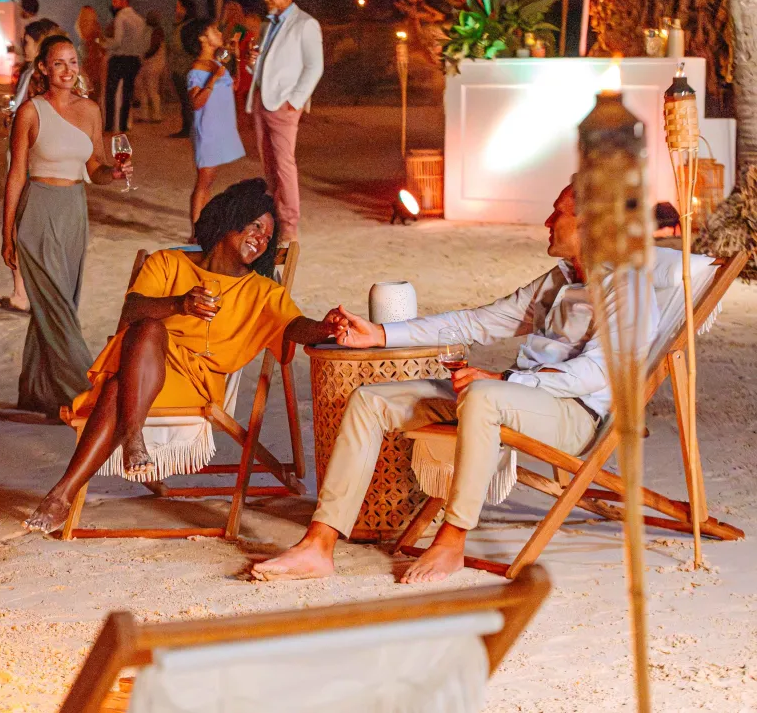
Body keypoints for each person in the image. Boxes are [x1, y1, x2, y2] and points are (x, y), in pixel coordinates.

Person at [252, 184, 661, 584]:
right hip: (514, 397)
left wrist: (505, 379)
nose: (548, 221)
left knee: (482, 394)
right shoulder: (558, 281)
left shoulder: (630, 288)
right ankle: (319, 544)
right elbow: (475, 322)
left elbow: (596, 373)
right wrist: (380, 333)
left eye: (559, 213)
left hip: (573, 415)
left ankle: (452, 540)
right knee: (369, 400)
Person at [25, 179, 339, 533]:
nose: (262, 239)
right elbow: (132, 309)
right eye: (255, 226)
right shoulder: (167, 264)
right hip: (144, 367)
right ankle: (105, 458)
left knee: (118, 388)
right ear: (229, 219)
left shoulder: (263, 292)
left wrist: (325, 327)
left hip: (194, 383)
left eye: (268, 235)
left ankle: (76, 481)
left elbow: (295, 326)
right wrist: (180, 303)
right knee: (147, 329)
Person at [2, 34, 130, 417]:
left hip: (74, 210)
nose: (68, 71)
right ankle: (88, 394)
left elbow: (96, 169)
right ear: (42, 68)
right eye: (59, 63)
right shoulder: (30, 112)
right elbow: (15, 175)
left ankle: (39, 394)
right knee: (57, 308)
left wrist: (116, 171)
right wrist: (7, 232)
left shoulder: (91, 110)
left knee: (59, 303)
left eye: (73, 62)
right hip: (38, 210)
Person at [0, 17, 65, 315]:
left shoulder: (47, 78)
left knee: (32, 227)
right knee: (25, 226)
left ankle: (31, 294)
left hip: (37, 158)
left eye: (27, 40)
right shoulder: (29, 72)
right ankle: (22, 292)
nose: (22, 44)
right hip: (24, 152)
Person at [244, 0, 324, 243]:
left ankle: (290, 223)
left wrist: (295, 100)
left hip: (284, 103)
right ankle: (275, 217)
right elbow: (267, 66)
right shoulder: (268, 24)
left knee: (284, 163)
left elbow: (315, 66)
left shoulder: (306, 24)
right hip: (262, 99)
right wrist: (252, 62)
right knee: (268, 161)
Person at [182, 17, 245, 239]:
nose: (219, 33)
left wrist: (236, 57)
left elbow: (234, 85)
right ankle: (196, 234)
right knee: (204, 181)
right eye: (214, 30)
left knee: (210, 181)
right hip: (207, 130)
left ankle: (203, 227)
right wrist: (212, 79)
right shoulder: (197, 69)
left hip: (220, 128)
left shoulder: (218, 63)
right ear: (202, 38)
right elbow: (196, 102)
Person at [101, 0, 149, 135]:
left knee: (111, 92)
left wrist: (103, 43)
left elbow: (117, 42)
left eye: (115, 1)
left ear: (124, 1)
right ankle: (123, 125)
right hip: (134, 59)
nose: (113, 4)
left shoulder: (121, 17)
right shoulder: (140, 19)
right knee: (127, 93)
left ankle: (109, 125)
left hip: (119, 58)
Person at [166, 0, 198, 138]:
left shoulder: (188, 27)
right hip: (179, 67)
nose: (176, 10)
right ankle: (187, 126)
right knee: (185, 100)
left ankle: (188, 128)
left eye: (179, 7)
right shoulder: (181, 26)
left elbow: (185, 47)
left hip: (184, 68)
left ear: (185, 9)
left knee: (187, 100)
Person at [135, 11, 167, 123]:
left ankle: (155, 115)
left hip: (151, 64)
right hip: (152, 64)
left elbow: (152, 48)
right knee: (147, 89)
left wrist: (142, 55)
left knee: (150, 89)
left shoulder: (156, 32)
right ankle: (149, 115)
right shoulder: (156, 31)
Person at [75, 6, 106, 101]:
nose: (83, 24)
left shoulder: (96, 47)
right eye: (82, 20)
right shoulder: (83, 46)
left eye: (87, 21)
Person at [13, 0, 40, 67]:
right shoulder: (26, 23)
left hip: (27, 63)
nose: (19, 10)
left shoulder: (32, 27)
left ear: (27, 11)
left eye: (21, 7)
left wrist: (15, 50)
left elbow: (26, 49)